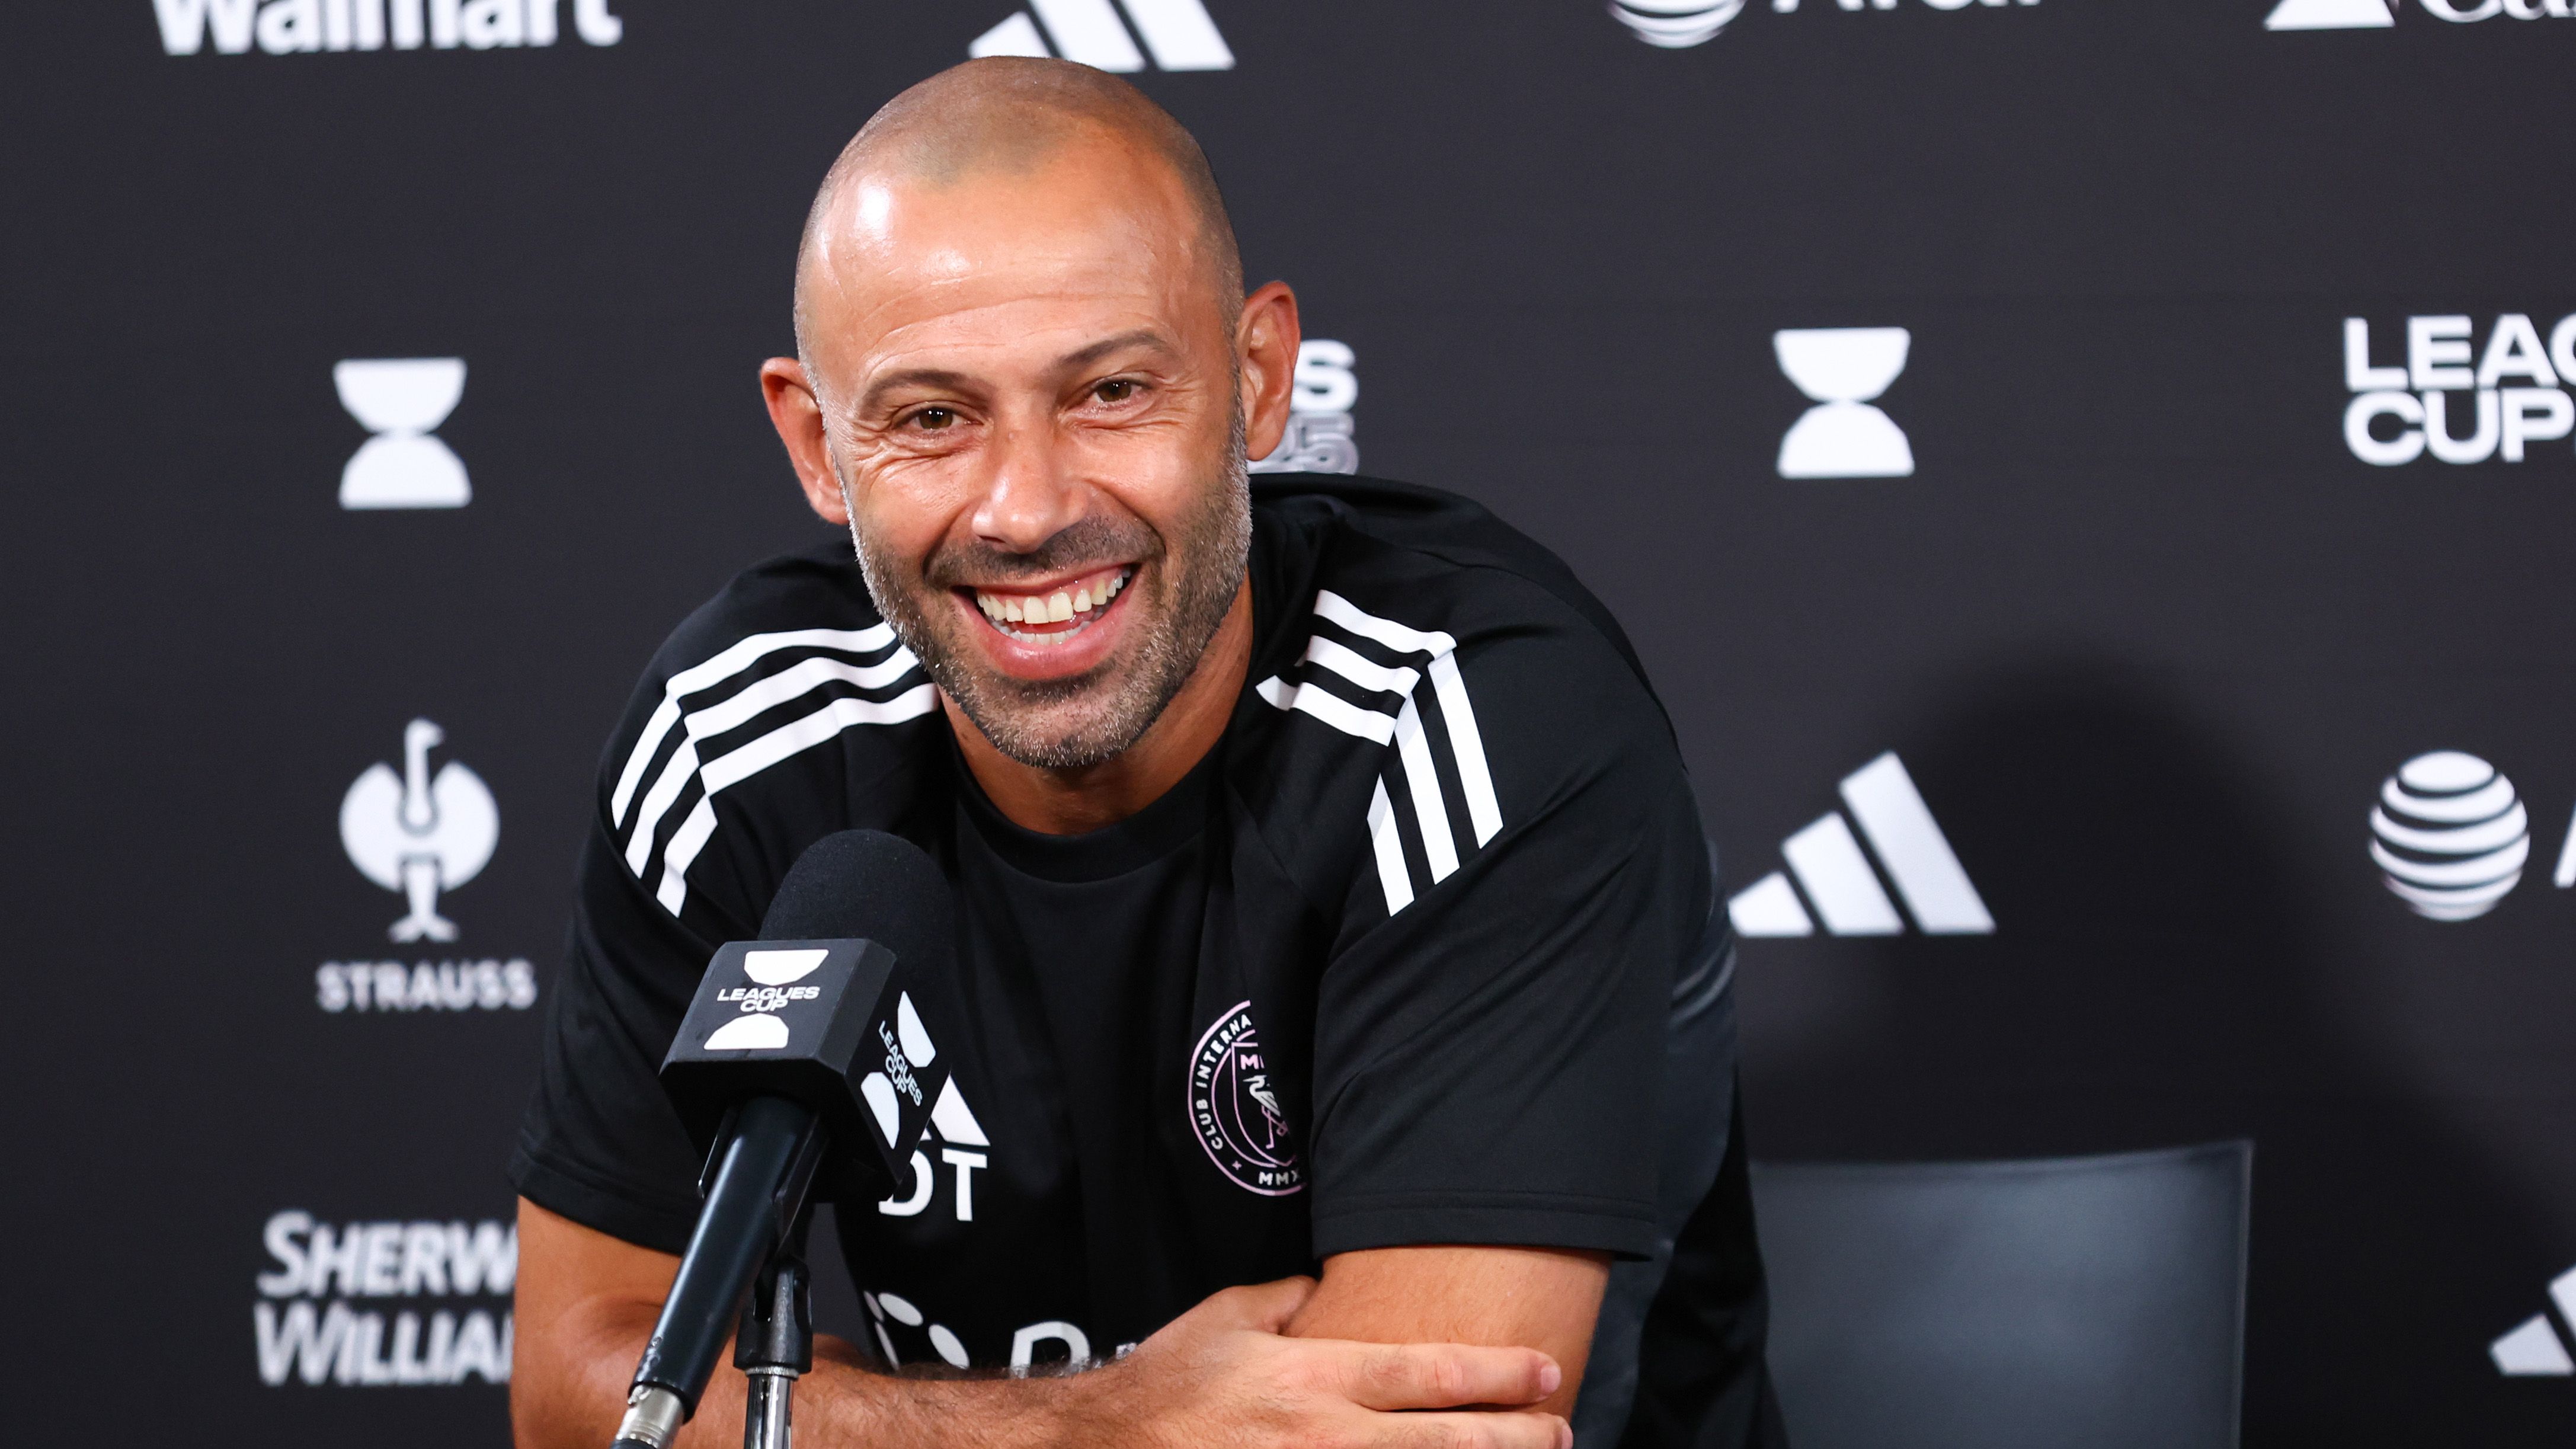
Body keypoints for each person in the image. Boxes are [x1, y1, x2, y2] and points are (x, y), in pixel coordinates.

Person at [508, 56, 1783, 1449]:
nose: (1025, 508)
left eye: (1110, 392)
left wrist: (834, 1418)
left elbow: (1414, 1438)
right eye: (932, 416)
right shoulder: (736, 730)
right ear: (819, 444)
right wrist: (1101, 1422)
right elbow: (587, 1391)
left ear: (1257, 379)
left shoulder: (1471, 715)